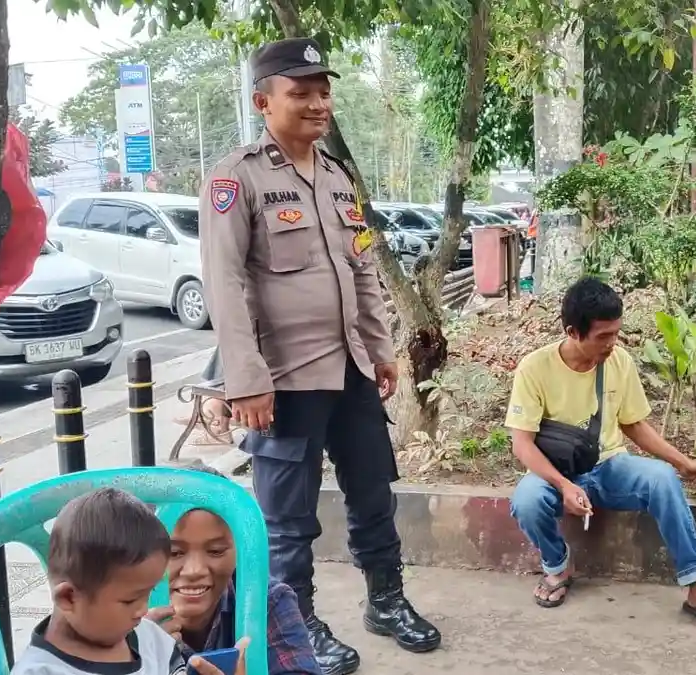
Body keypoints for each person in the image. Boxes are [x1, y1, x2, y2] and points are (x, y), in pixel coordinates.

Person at [199, 37, 439, 675]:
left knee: (372, 494)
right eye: (300, 93)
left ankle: (386, 601)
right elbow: (223, 283)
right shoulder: (236, 178)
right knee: (288, 521)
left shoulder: (337, 178)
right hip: (284, 380)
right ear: (263, 101)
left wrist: (380, 349)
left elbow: (362, 270)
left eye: (323, 91)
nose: (317, 104)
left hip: (352, 370)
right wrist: (245, 380)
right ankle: (295, 625)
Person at [505, 277, 696, 634]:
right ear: (573, 332)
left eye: (616, 333)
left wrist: (683, 463)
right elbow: (522, 445)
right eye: (603, 336)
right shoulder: (534, 367)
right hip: (554, 471)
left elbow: (634, 425)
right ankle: (558, 566)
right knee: (526, 500)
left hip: (610, 466)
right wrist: (563, 485)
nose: (613, 343)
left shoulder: (618, 361)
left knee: (662, 479)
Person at [144, 464, 320, 674]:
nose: (195, 571)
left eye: (216, 551)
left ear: (239, 550)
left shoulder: (267, 601)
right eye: (174, 553)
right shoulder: (122, 614)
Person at [12, 488, 191, 674]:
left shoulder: (152, 639)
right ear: (68, 598)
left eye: (149, 592)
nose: (143, 610)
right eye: (129, 600)